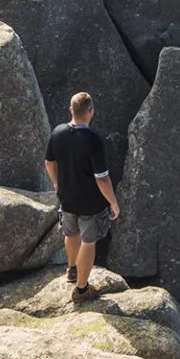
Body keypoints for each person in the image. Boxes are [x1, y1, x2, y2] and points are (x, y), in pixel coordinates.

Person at [44, 91, 120, 302]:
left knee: (71, 232)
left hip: (67, 197)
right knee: (88, 241)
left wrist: (57, 182)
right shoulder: (93, 140)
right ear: (91, 112)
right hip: (91, 202)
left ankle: (72, 269)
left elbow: (48, 162)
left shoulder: (57, 132)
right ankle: (81, 289)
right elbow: (102, 179)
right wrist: (113, 202)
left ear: (71, 110)